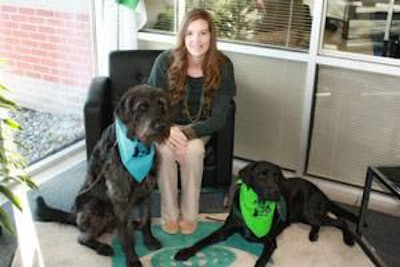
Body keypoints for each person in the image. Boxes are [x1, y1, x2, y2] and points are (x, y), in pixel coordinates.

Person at [147, 8, 236, 235]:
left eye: (203, 33)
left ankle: (189, 215)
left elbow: (217, 118)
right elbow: (151, 105)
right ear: (183, 36)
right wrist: (169, 130)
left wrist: (186, 133)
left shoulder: (224, 66)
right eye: (190, 33)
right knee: (166, 153)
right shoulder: (164, 61)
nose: (196, 40)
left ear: (211, 36)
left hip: (200, 128)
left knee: (194, 152)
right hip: (166, 126)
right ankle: (169, 215)